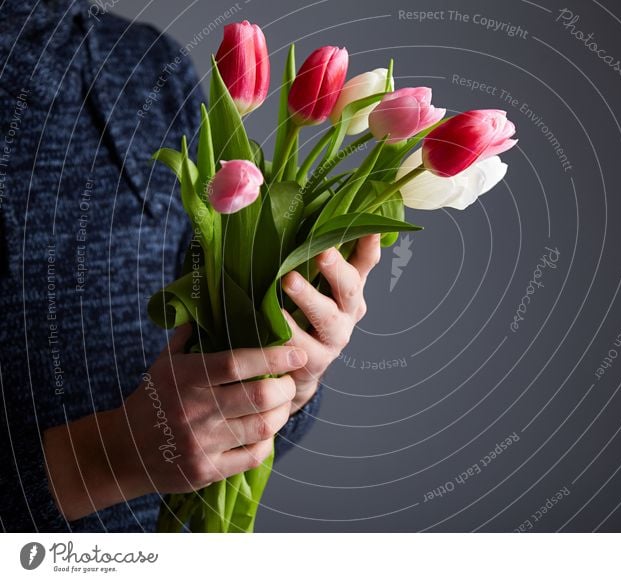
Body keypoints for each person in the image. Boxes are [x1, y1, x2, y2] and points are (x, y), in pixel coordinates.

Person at [0, 0, 378, 531]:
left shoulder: (141, 64)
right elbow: (140, 449)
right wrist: (103, 459)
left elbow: (207, 388)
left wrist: (286, 373)